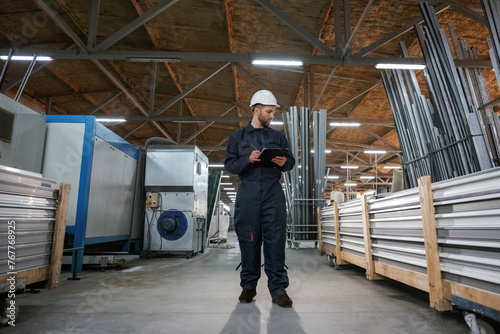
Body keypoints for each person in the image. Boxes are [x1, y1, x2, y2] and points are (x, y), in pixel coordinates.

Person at [224, 90, 295, 308]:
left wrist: (284, 162)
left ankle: (278, 289)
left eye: (273, 112)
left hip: (273, 192)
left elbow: (291, 162)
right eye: (269, 111)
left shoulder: (278, 137)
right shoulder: (237, 137)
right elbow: (230, 165)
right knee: (249, 239)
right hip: (249, 192)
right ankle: (248, 286)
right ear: (256, 110)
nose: (272, 116)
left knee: (275, 241)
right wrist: (248, 159)